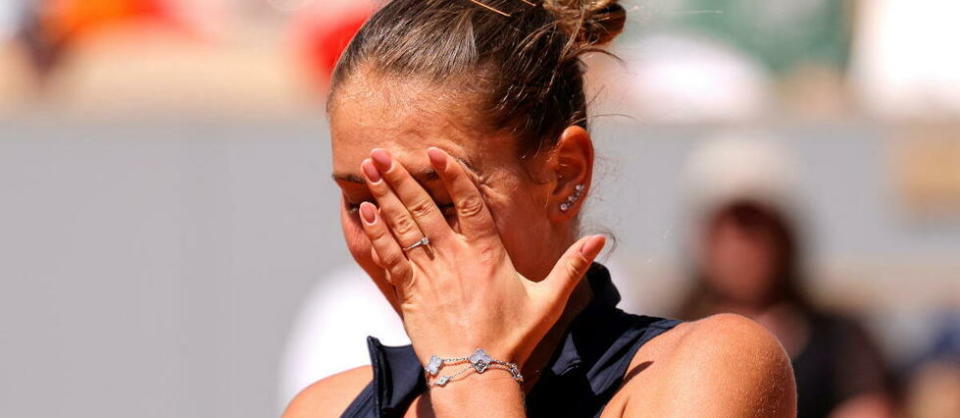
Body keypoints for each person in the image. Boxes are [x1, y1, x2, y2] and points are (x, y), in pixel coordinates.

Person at [283, 1, 796, 416]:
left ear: (564, 174)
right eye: (361, 202)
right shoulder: (325, 408)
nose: (397, 235)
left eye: (438, 199)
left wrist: (471, 373)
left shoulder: (706, 369)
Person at [674, 137, 895, 418]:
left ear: (785, 238)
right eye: (729, 230)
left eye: (756, 229)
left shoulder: (840, 338)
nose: (742, 248)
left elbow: (869, 409)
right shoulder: (669, 337)